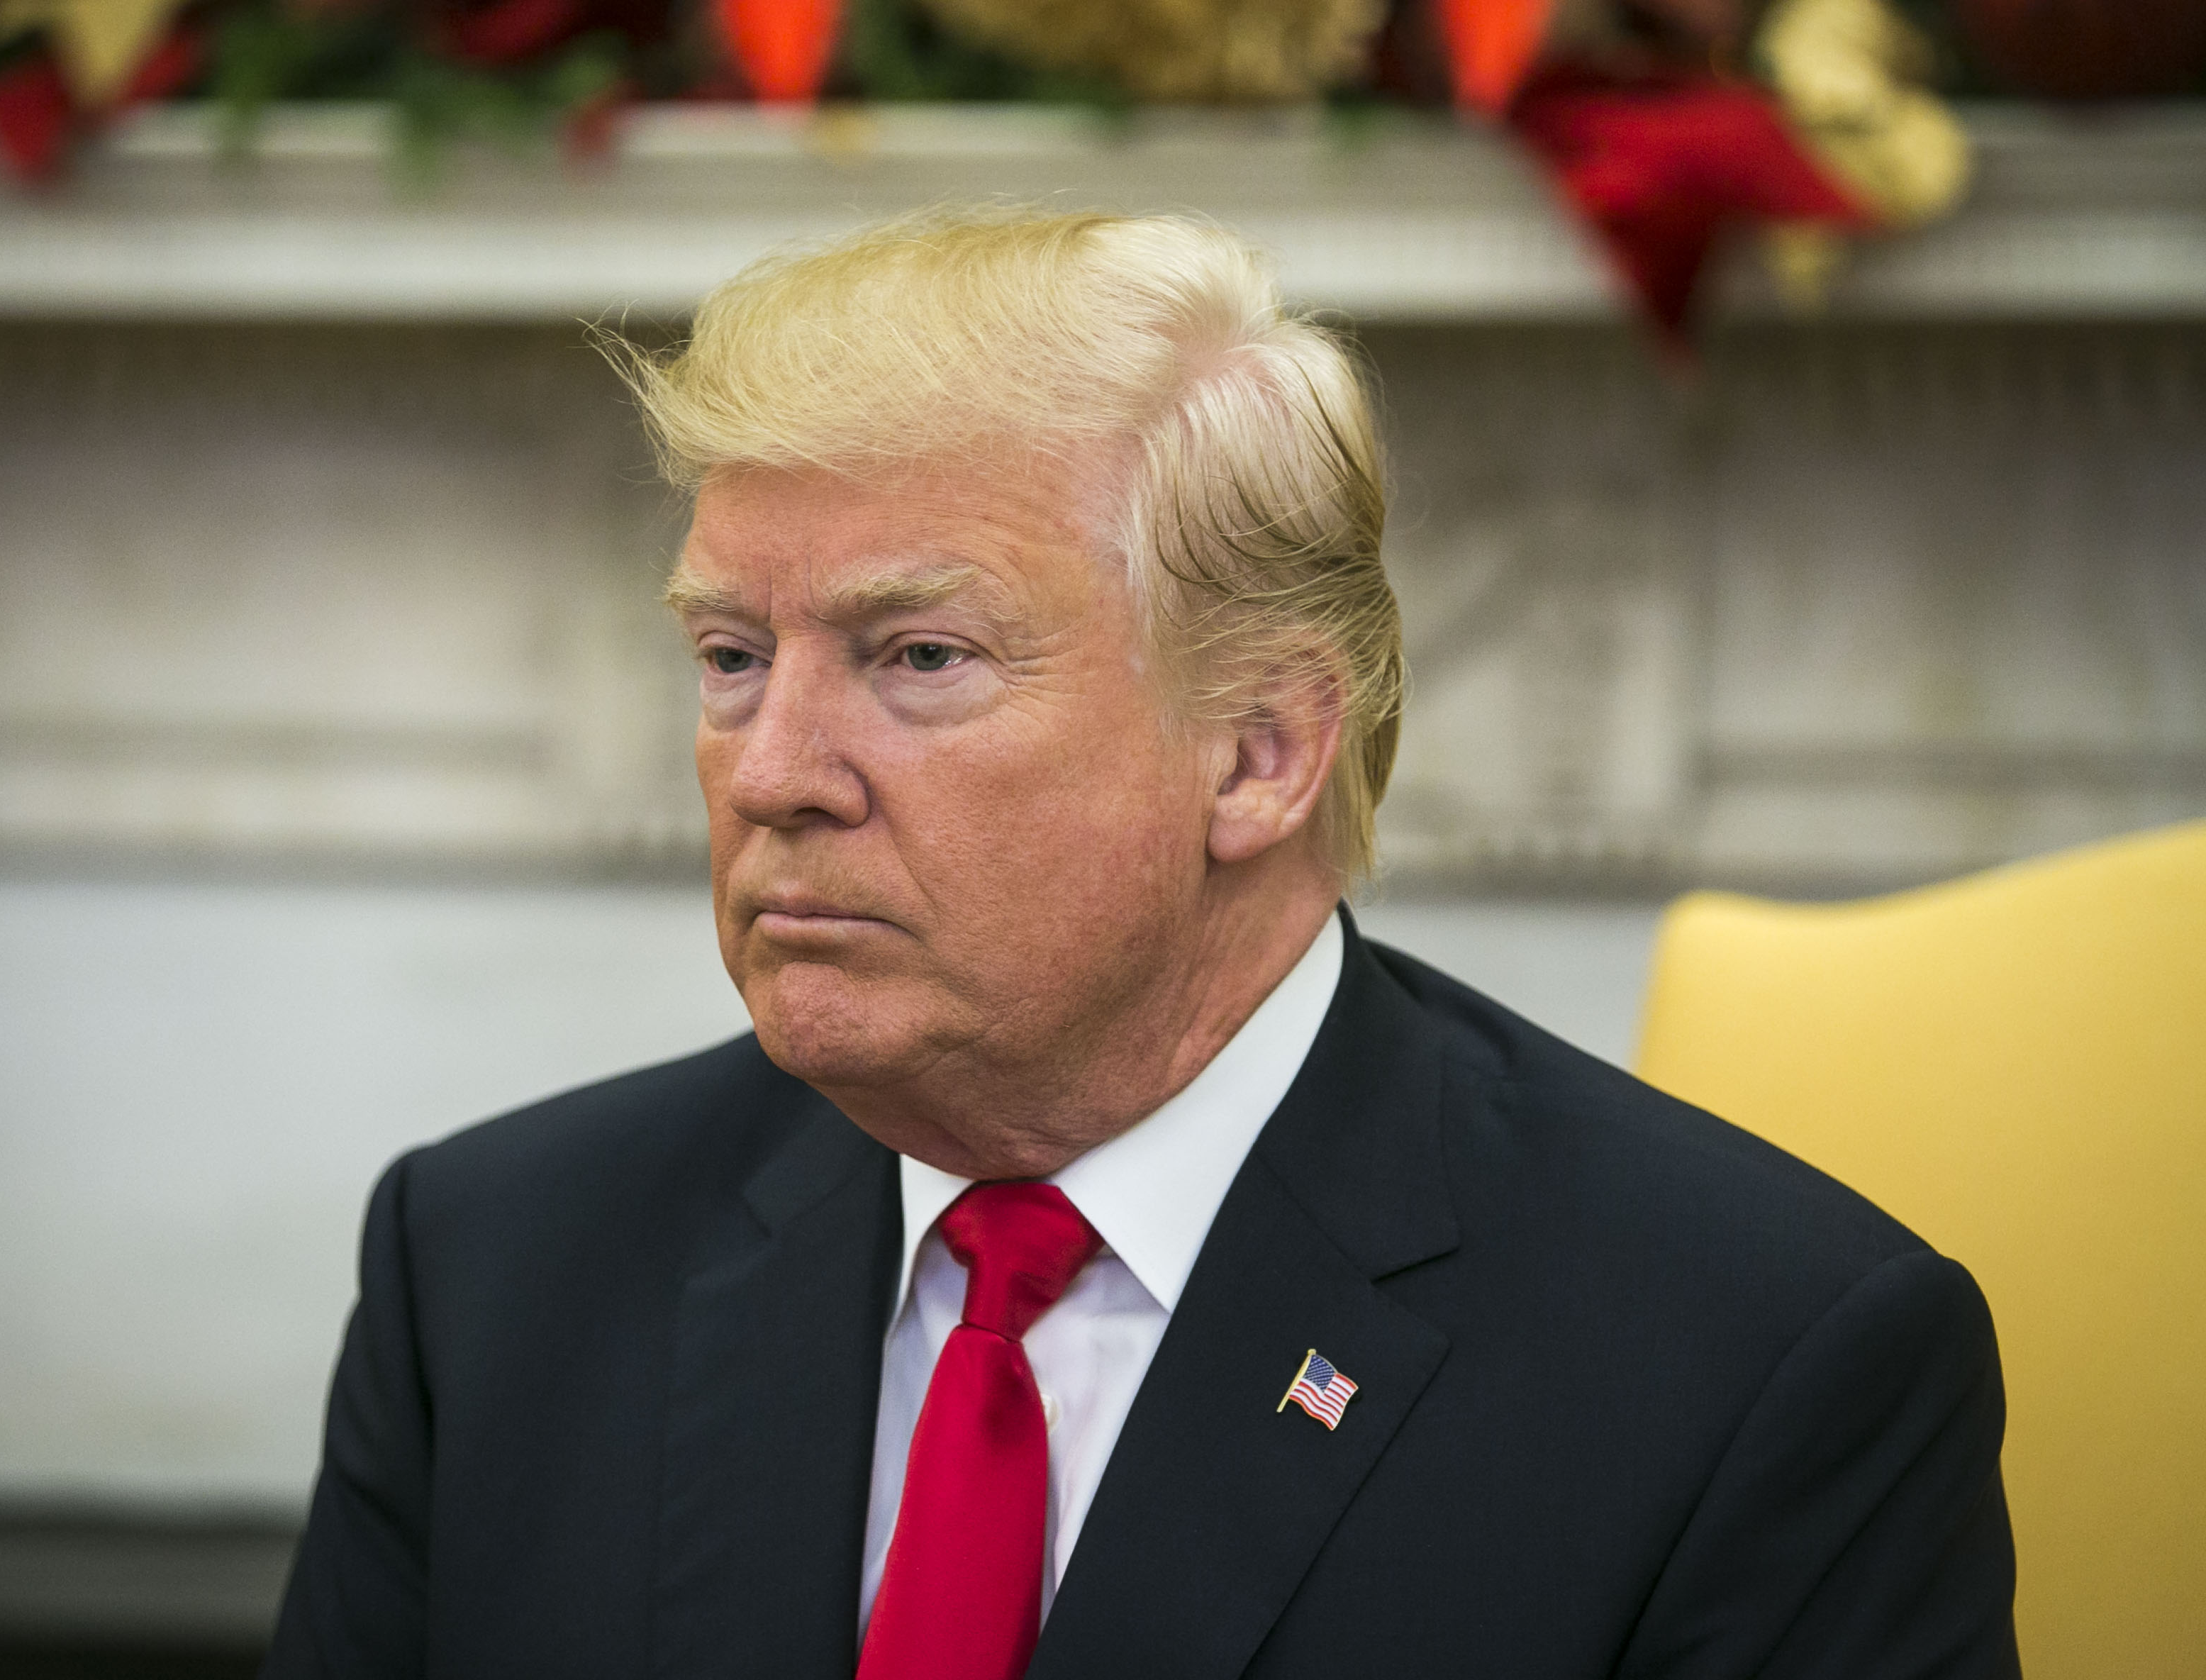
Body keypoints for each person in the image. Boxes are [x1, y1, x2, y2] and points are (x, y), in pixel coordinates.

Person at [263, 208, 2016, 1679]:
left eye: (919, 658)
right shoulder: (495, 1267)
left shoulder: (1761, 1363)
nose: (773, 772)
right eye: (730, 656)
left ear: (1259, 751)